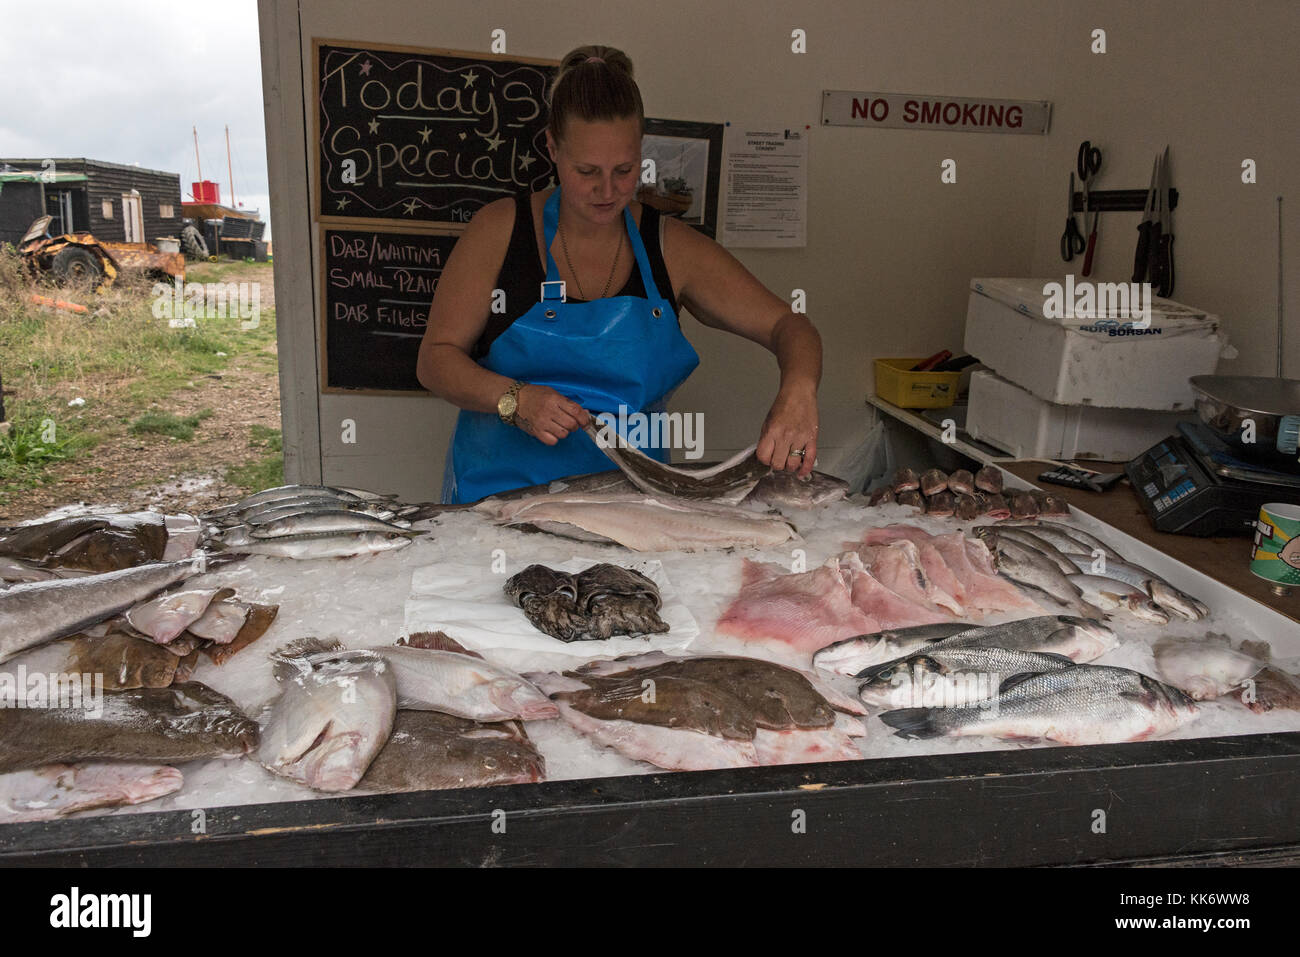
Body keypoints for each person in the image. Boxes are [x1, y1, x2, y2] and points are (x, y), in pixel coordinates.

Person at [417, 44, 822, 504]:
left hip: (634, 506)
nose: (607, 191)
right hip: (498, 502)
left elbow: (791, 326)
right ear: (552, 146)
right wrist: (513, 399)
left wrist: (799, 390)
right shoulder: (498, 231)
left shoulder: (671, 247)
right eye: (586, 170)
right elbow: (435, 360)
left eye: (624, 170)